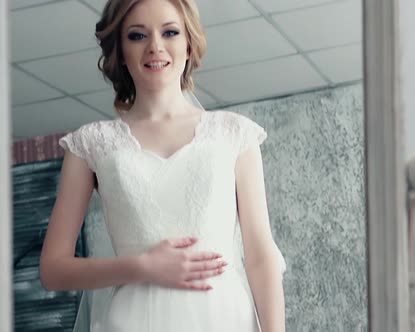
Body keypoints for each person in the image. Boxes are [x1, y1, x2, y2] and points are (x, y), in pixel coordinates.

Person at [39, 0, 286, 331]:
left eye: (170, 32)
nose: (155, 46)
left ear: (188, 42)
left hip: (224, 318)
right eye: (137, 36)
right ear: (120, 51)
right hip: (135, 321)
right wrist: (142, 267)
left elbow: (260, 257)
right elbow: (53, 269)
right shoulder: (90, 145)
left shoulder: (235, 134)